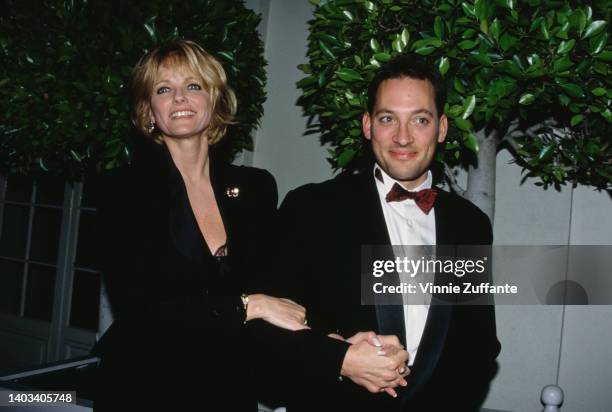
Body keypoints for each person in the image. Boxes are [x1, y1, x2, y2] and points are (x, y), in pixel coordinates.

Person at [274, 54, 501, 411]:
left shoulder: (470, 224)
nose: (403, 136)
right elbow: (271, 331)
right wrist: (339, 359)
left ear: (441, 129)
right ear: (367, 126)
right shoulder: (310, 209)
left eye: (420, 120)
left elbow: (480, 345)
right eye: (387, 118)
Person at [93, 39, 309, 411]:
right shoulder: (122, 191)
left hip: (230, 388)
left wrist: (337, 342)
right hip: (145, 388)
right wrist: (248, 305)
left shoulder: (257, 188)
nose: (180, 98)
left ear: (215, 101)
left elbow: (280, 287)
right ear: (148, 111)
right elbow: (142, 309)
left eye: (193, 86)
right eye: (164, 89)